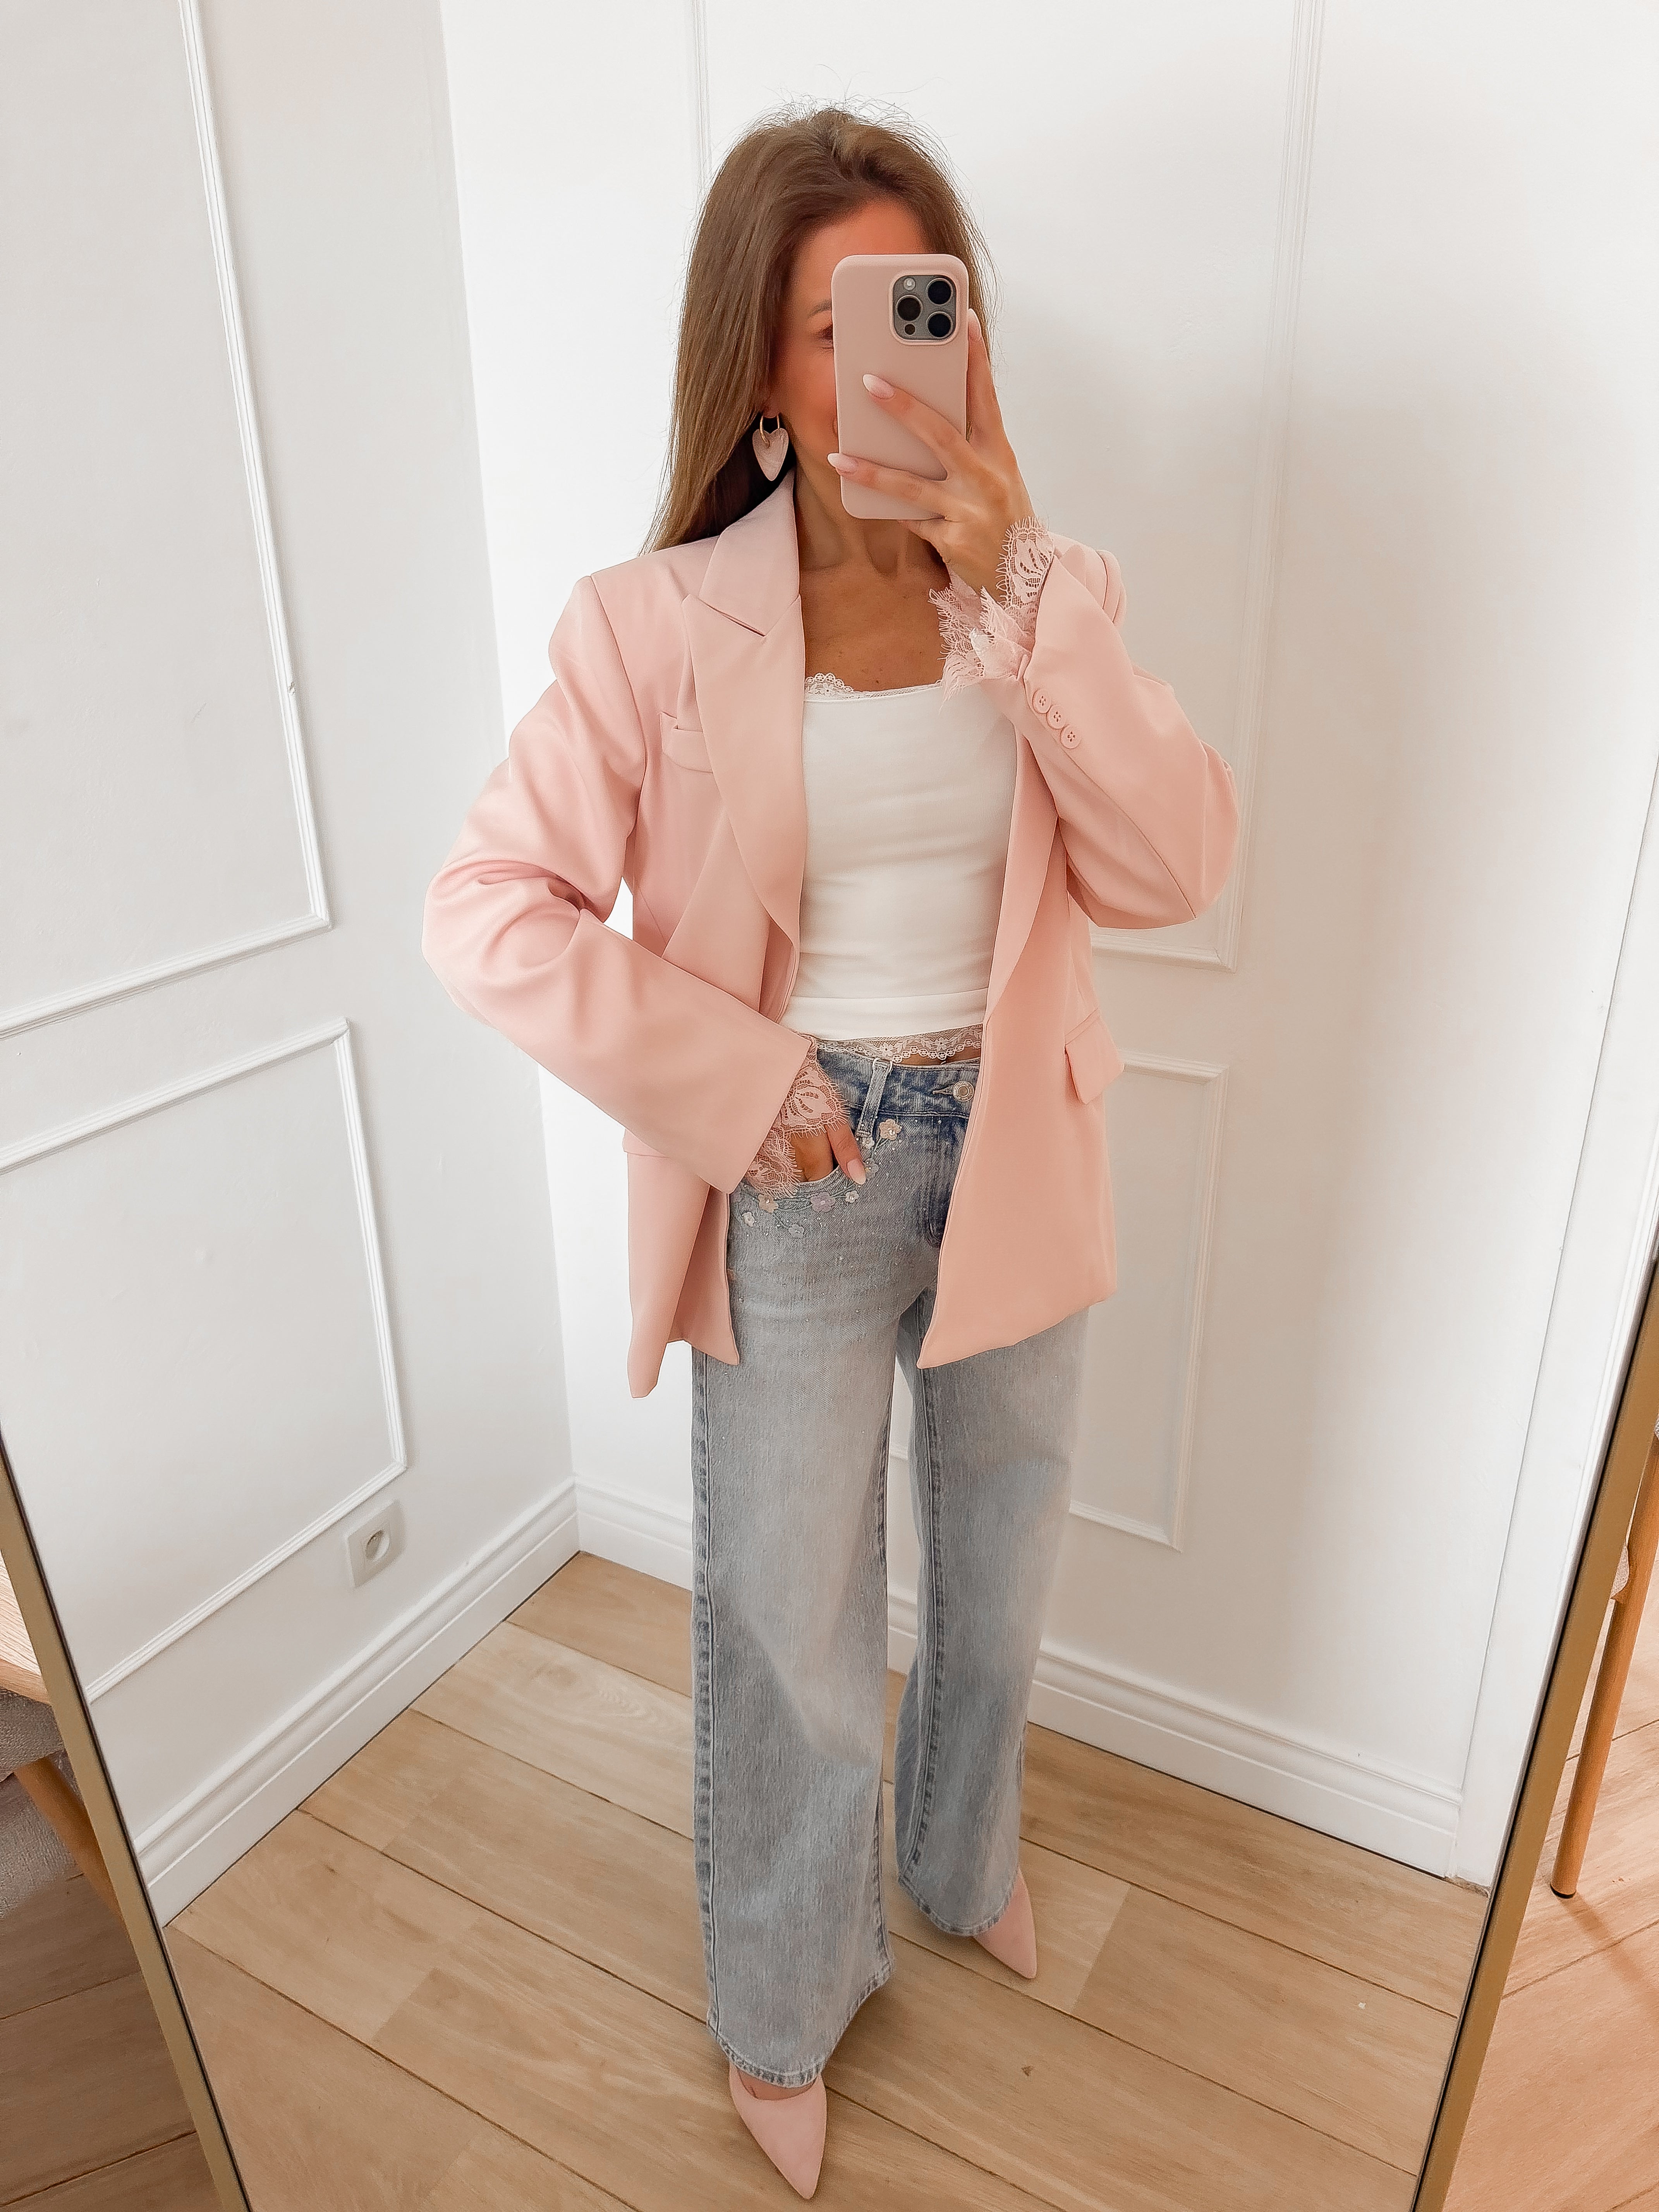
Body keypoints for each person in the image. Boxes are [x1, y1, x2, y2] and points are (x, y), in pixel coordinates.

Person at [422, 104, 1237, 2201]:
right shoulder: (648, 625)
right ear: (762, 370)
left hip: (1021, 1142)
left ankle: (963, 1866)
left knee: (1003, 1558)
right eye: (827, 322)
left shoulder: (1048, 599)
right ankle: (783, 1997)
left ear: (965, 331)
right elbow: (486, 909)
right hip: (797, 1171)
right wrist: (734, 1079)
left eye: (917, 307)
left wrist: (1025, 592)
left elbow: (1176, 867)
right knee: (789, 1616)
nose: (881, 357)